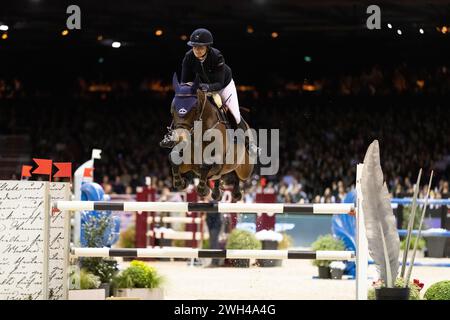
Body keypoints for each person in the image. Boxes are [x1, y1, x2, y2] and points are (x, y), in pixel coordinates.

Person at [160, 28, 259, 156]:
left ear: (208, 47)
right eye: (194, 47)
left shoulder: (217, 56)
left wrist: (202, 87)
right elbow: (185, 80)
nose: (197, 50)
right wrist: (187, 90)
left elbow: (218, 84)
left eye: (201, 47)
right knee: (183, 104)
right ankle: (171, 134)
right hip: (201, 88)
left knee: (235, 114)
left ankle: (249, 144)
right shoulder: (188, 57)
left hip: (224, 86)